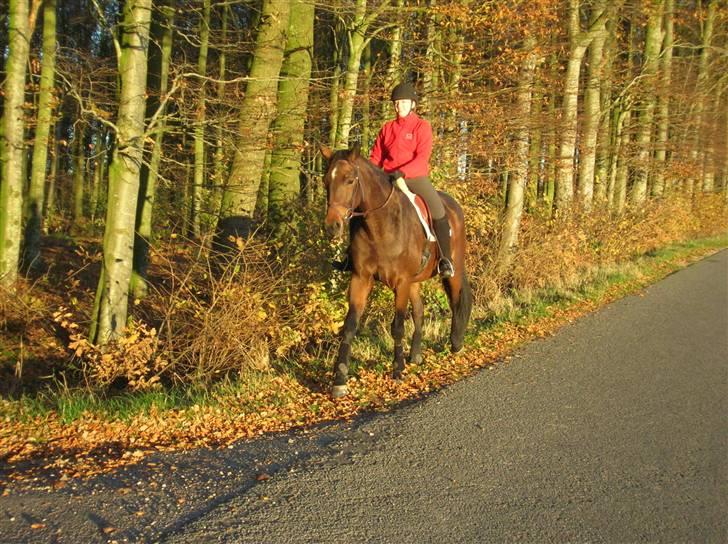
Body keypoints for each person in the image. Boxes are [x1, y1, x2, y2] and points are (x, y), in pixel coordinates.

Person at [333, 82, 454, 278]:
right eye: (397, 103)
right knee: (360, 207)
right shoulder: (387, 129)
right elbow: (376, 158)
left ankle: (445, 260)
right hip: (387, 179)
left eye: (404, 102)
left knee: (438, 210)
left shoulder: (422, 127)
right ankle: (350, 256)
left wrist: (402, 172)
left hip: (414, 178)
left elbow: (422, 157)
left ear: (413, 104)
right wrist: (370, 175)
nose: (400, 107)